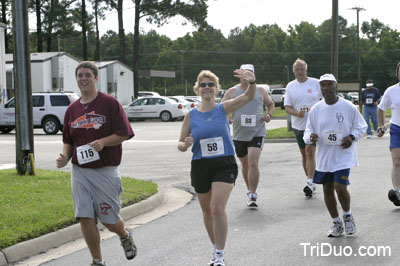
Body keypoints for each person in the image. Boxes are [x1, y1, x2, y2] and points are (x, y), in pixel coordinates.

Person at [56, 61, 136, 266]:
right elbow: (68, 139)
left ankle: (124, 235)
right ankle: (97, 260)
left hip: (105, 170)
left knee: (109, 220)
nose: (83, 79)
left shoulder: (109, 103)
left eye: (87, 75)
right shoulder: (72, 109)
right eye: (80, 75)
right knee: (85, 217)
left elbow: (124, 133)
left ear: (96, 78)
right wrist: (65, 157)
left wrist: (103, 142)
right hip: (80, 171)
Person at [178, 69, 256, 266]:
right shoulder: (191, 115)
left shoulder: (223, 109)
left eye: (210, 85)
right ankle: (215, 248)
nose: (207, 88)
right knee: (207, 211)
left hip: (224, 163)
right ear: (197, 89)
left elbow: (248, 96)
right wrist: (185, 144)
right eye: (203, 85)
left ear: (216, 89)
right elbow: (179, 144)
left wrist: (251, 82)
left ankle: (220, 256)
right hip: (200, 165)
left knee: (217, 208)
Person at [304, 74, 367, 237]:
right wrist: (310, 137)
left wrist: (352, 137)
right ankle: (336, 223)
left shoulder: (348, 107)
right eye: (323, 85)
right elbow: (308, 131)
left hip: (343, 155)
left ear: (335, 86)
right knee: (327, 189)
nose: (326, 88)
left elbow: (362, 126)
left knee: (340, 187)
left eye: (329, 85)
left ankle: (347, 216)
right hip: (325, 157)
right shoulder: (316, 109)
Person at [221, 64, 275, 208]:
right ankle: (249, 189)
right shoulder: (232, 91)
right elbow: (221, 109)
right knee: (245, 164)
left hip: (257, 131)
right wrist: (227, 118)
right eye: (244, 72)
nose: (247, 74)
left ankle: (253, 193)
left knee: (253, 162)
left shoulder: (261, 90)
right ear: (239, 74)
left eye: (249, 72)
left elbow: (270, 104)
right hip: (239, 133)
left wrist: (268, 114)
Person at [283, 58, 322, 197]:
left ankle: (310, 182)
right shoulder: (290, 86)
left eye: (302, 69)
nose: (300, 72)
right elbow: (287, 107)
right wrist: (297, 113)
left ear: (306, 69)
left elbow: (325, 100)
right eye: (297, 70)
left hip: (313, 125)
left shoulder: (316, 83)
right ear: (294, 71)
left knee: (310, 151)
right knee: (304, 154)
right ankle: (310, 180)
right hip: (298, 126)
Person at [377, 62, 400, 206]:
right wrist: (381, 125)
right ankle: (397, 191)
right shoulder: (391, 91)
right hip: (397, 128)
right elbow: (381, 108)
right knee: (397, 161)